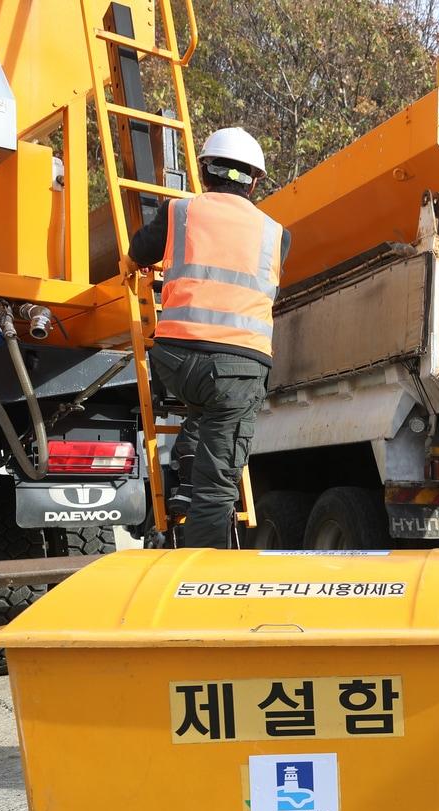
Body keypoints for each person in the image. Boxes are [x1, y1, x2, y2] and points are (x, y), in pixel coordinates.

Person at [122, 127, 290, 548]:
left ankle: (184, 472)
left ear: (203, 171)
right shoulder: (276, 234)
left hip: (174, 363)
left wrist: (133, 269)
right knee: (217, 485)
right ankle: (202, 573)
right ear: (254, 181)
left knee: (202, 403)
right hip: (237, 370)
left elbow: (134, 256)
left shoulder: (178, 212)